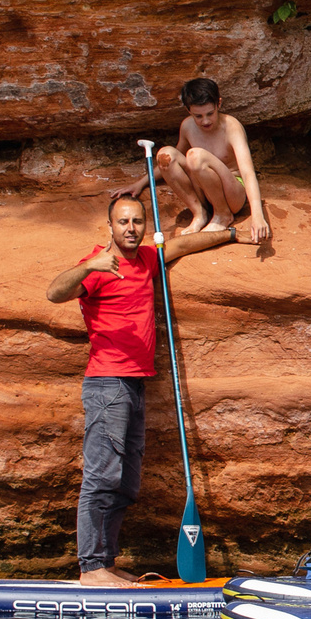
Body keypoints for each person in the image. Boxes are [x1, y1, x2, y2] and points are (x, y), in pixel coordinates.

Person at [45, 190, 242, 587]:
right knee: (102, 476)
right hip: (107, 383)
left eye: (138, 222)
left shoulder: (148, 258)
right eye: (123, 222)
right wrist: (88, 267)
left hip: (134, 385)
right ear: (110, 227)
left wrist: (233, 235)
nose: (131, 229)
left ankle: (106, 560)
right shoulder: (99, 266)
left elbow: (184, 243)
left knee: (125, 480)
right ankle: (91, 568)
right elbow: (54, 292)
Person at [155, 77, 269, 242]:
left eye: (210, 113)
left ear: (219, 104)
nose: (205, 121)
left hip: (232, 194)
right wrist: (140, 184)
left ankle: (222, 215)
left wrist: (257, 215)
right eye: (198, 116)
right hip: (204, 192)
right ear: (188, 110)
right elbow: (173, 161)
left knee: (195, 156)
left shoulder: (232, 127)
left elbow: (248, 172)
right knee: (165, 154)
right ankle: (199, 213)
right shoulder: (187, 126)